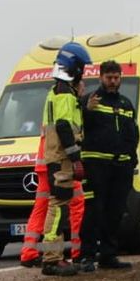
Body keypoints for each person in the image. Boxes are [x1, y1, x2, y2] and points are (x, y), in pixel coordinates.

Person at [79, 60, 139, 271]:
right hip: (96, 165)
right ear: (100, 78)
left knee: (115, 212)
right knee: (94, 211)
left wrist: (132, 159)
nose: (113, 81)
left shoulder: (126, 103)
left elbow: (133, 133)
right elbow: (76, 127)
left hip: (121, 166)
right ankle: (86, 256)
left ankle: (108, 255)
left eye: (116, 77)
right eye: (109, 77)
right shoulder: (89, 100)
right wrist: (86, 110)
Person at [38, 42, 92, 277]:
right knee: (58, 206)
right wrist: (75, 156)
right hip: (61, 158)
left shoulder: (58, 91)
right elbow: (63, 125)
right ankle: (52, 259)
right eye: (82, 68)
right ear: (74, 67)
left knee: (59, 204)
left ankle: (54, 257)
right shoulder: (64, 93)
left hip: (56, 156)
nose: (84, 72)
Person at [18, 100, 84, 267]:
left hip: (43, 166)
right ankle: (77, 252)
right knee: (75, 207)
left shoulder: (49, 111)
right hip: (59, 166)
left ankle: (28, 253)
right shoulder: (65, 111)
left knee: (40, 209)